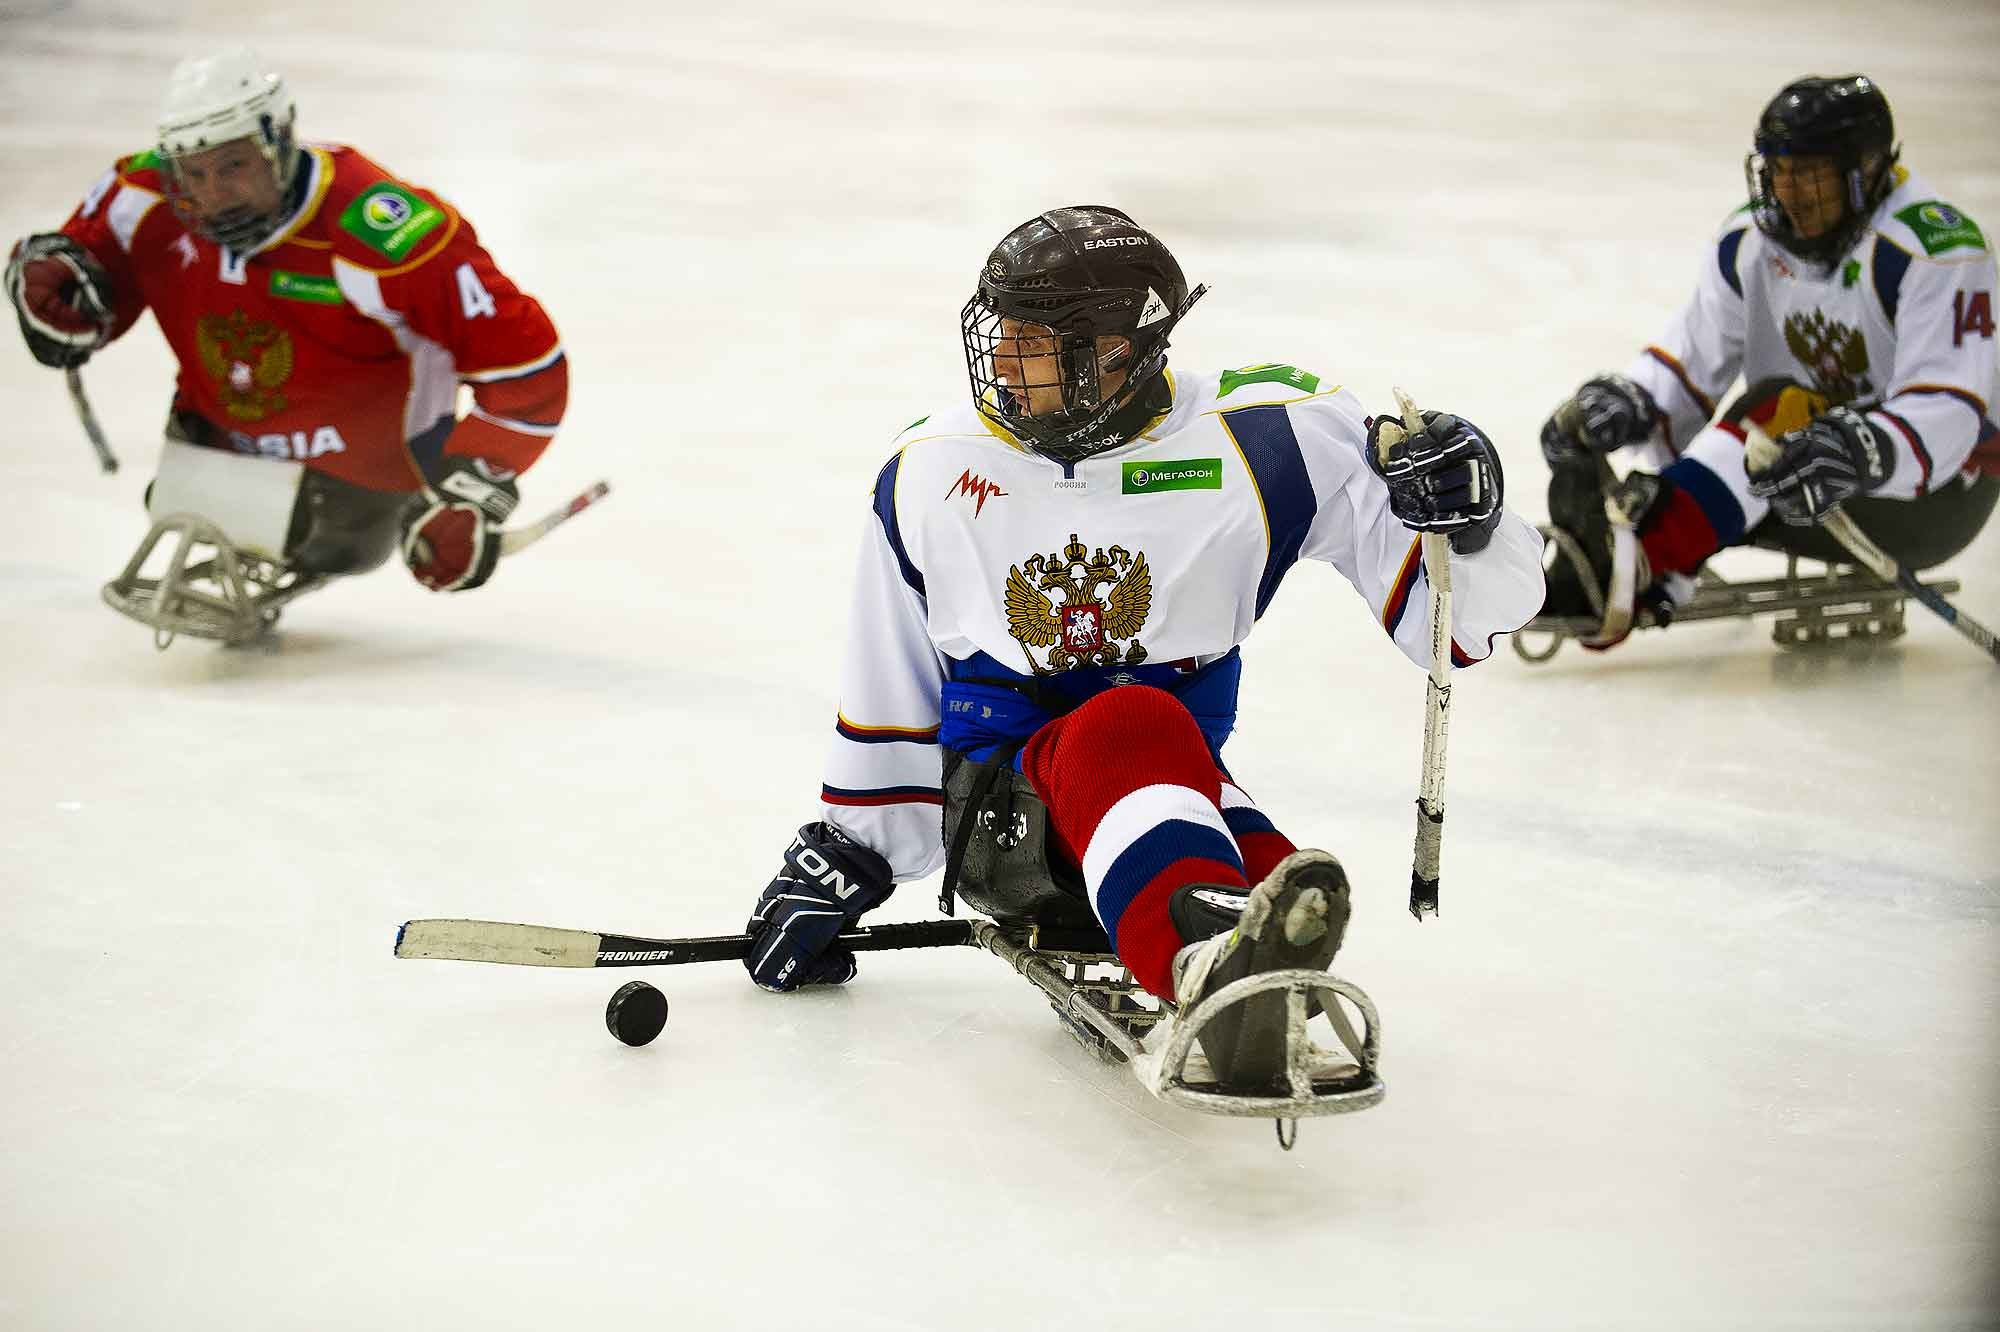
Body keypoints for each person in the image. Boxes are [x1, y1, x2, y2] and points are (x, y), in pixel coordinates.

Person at [740, 205, 1544, 1091]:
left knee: (1251, 851)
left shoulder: (1272, 440)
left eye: (1033, 342)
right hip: (1007, 812)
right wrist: (847, 854)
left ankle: (1256, 962)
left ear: (1117, 351)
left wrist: (1471, 525)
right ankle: (1210, 970)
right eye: (999, 336)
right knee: (1131, 723)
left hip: (1169, 778)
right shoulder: (933, 468)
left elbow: (1458, 627)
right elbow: (888, 678)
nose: (1003, 365)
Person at [4, 47, 567, 636]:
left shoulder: (380, 232)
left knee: (328, 533)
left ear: (279, 141)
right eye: (193, 175)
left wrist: (474, 485)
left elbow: (528, 369)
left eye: (233, 167)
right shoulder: (141, 195)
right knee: (180, 501)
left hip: (360, 481)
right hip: (211, 446)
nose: (212, 195)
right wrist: (52, 299)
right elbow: (80, 276)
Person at [1537, 74, 1997, 644]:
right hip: (1797, 473)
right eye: (1779, 171)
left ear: (1868, 170)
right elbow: (1690, 363)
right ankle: (1648, 558)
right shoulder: (1750, 239)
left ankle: (1633, 564)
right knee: (1747, 426)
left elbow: (1950, 410)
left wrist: (1855, 448)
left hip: (1935, 499)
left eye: (1811, 174)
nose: (1790, 193)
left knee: (1777, 408)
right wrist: (1632, 401)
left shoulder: (1931, 249)